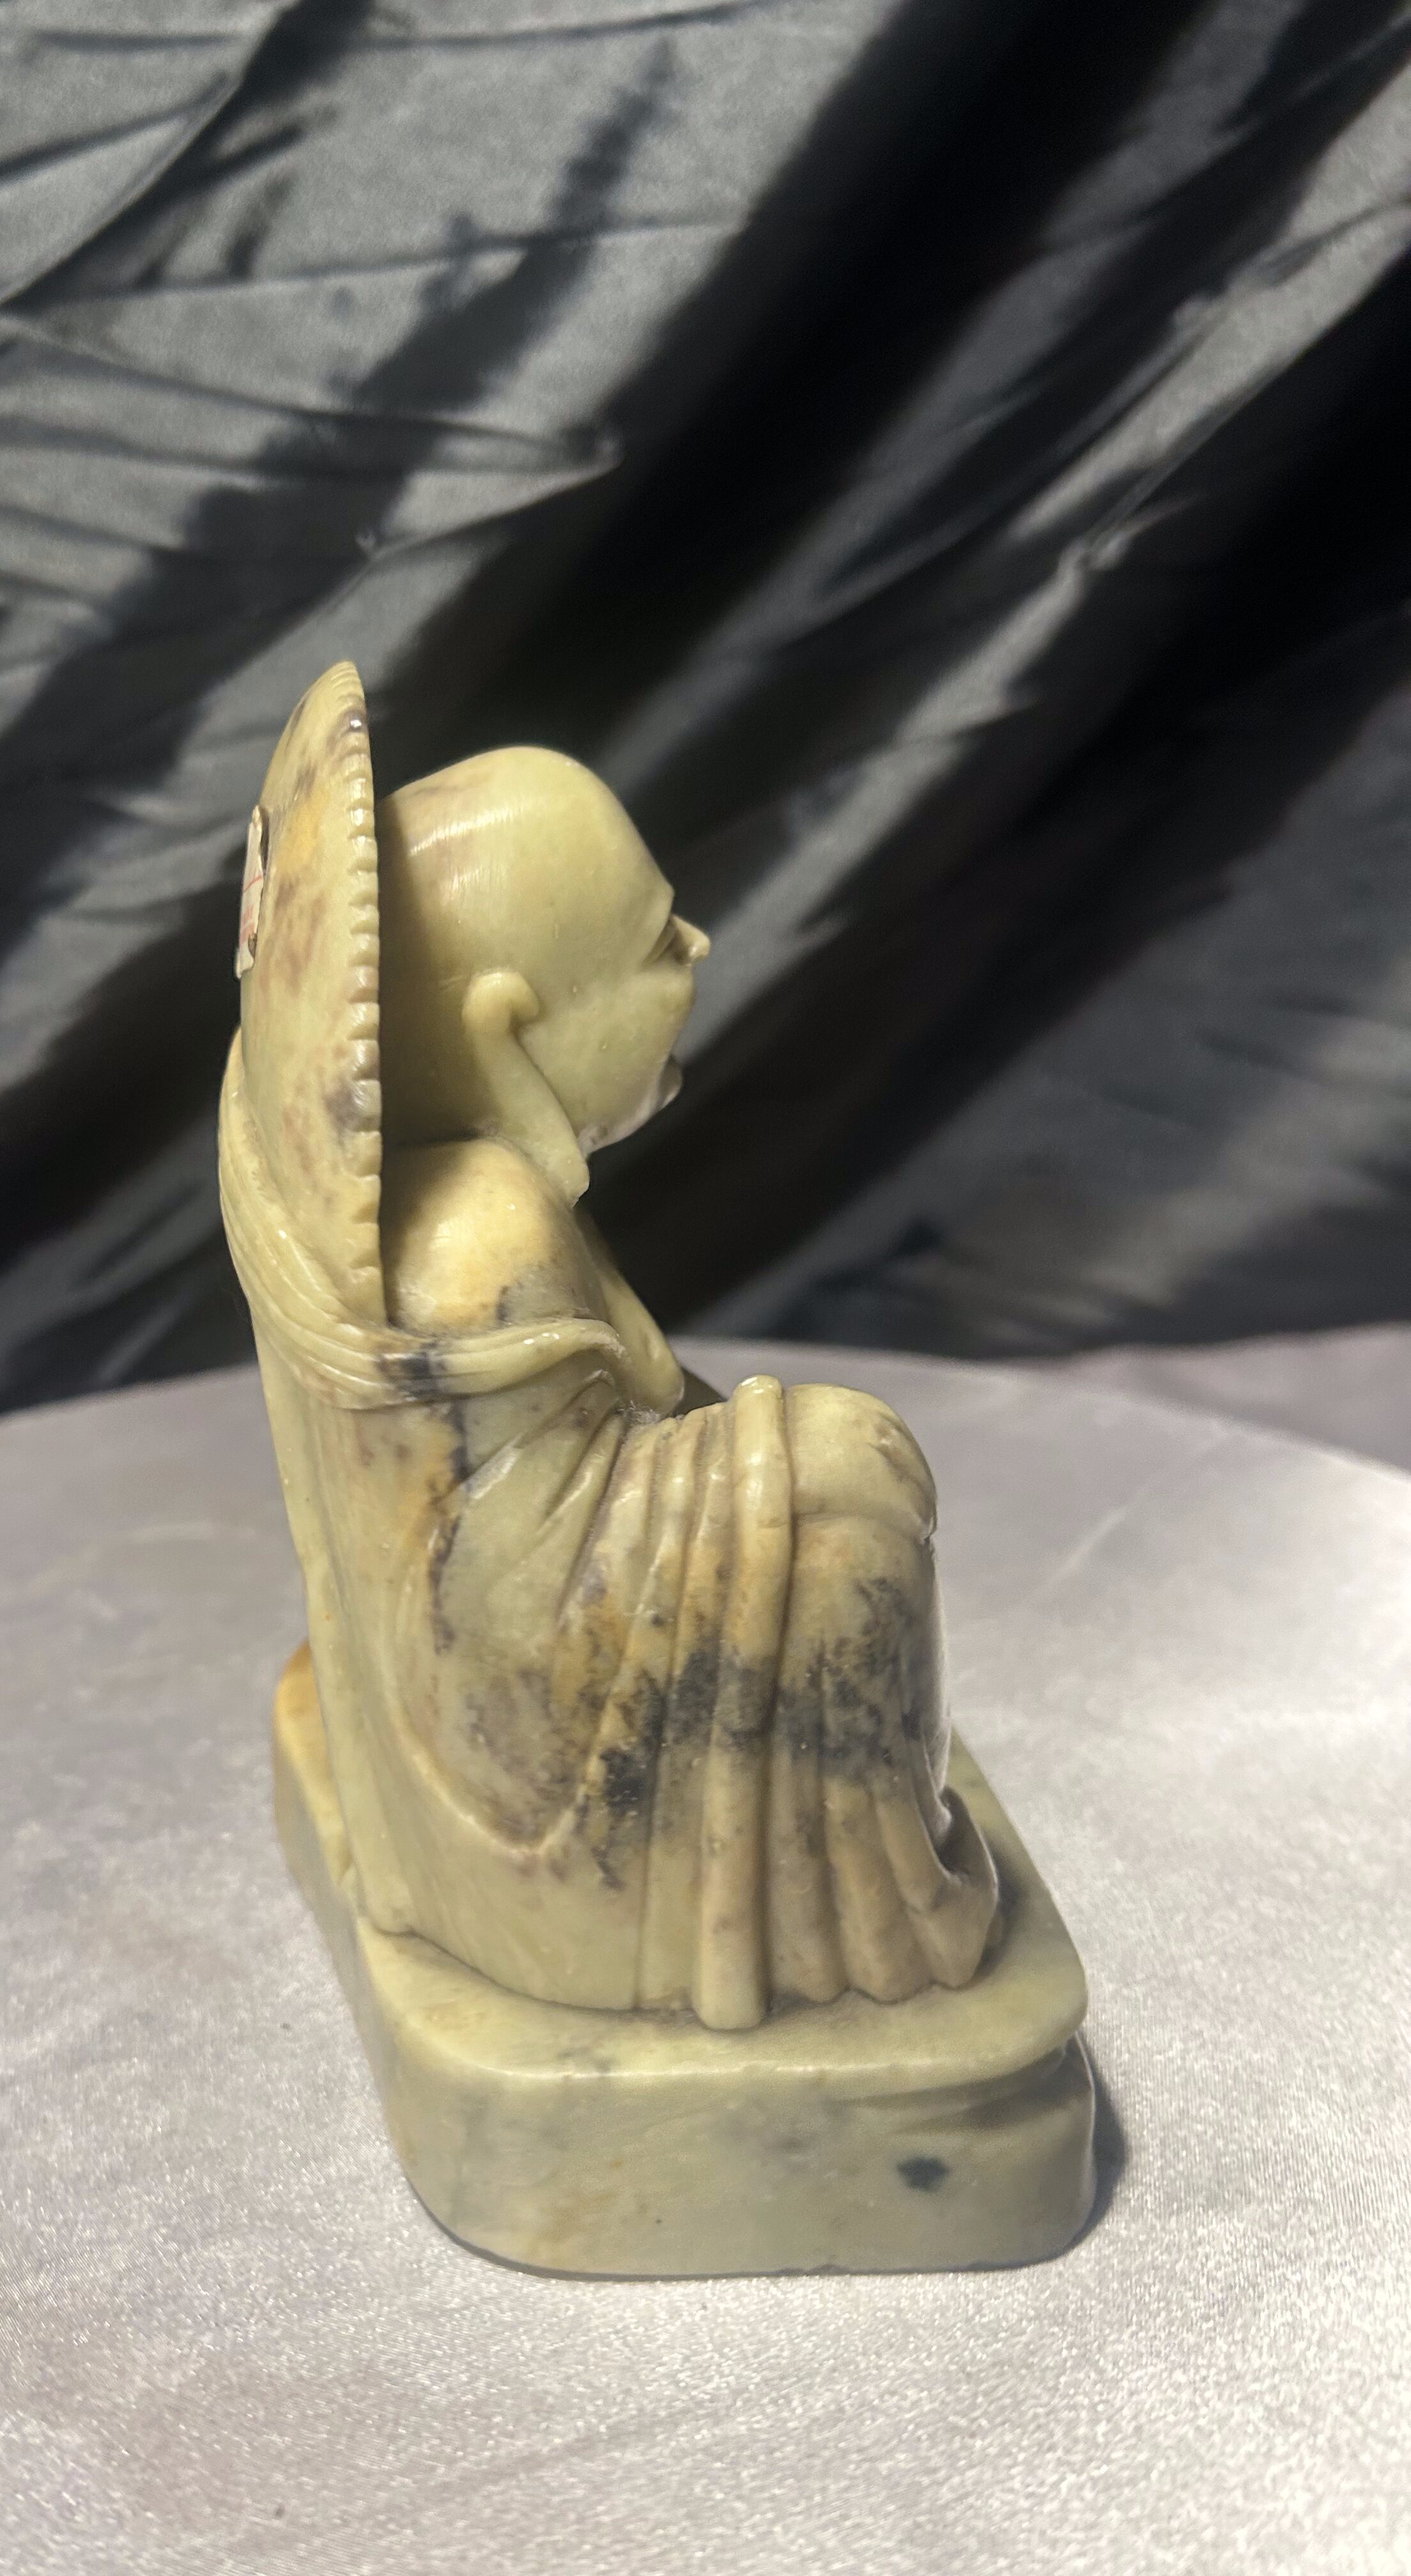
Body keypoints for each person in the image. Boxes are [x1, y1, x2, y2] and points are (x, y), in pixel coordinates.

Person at [221, 665, 996, 2029]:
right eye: (653, 947)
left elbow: (618, 1445)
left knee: (837, 1474)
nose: (698, 945)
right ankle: (864, 1927)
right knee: (858, 1482)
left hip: (517, 1648)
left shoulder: (466, 1201)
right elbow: (555, 1563)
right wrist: (793, 1467)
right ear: (510, 1036)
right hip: (535, 1746)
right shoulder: (485, 1231)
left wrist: (742, 1453)